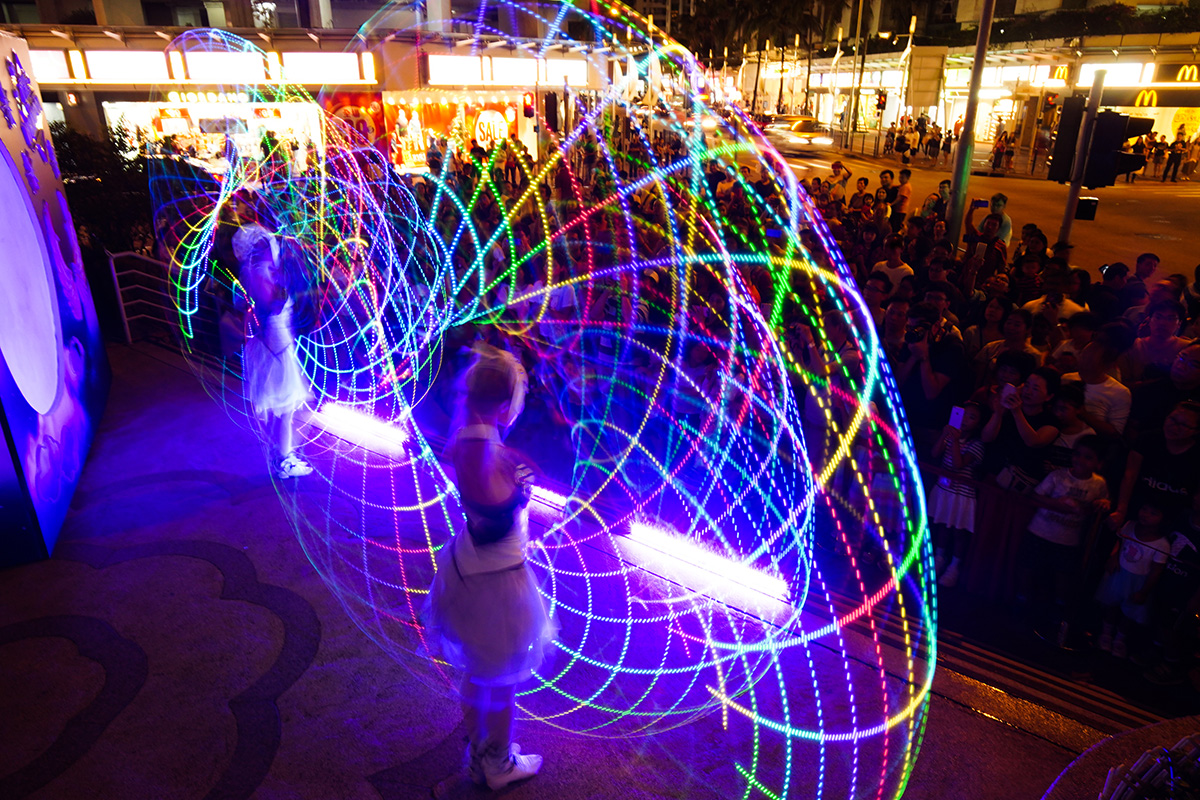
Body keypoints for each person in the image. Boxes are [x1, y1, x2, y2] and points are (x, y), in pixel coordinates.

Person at [427, 346, 554, 790]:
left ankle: (483, 746)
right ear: (504, 406)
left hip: (466, 571)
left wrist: (515, 469)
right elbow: (492, 520)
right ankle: (497, 764)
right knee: (500, 681)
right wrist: (521, 479)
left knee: (478, 670)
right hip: (497, 584)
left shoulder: (464, 434)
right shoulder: (492, 456)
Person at [234, 216, 314, 479]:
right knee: (286, 408)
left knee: (283, 409)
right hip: (276, 348)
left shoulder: (259, 270)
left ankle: (280, 455)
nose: (275, 246)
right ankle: (284, 461)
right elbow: (271, 305)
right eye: (269, 243)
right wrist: (290, 285)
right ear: (258, 248)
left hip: (276, 345)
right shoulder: (259, 274)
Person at [1023, 435, 1110, 642]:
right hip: (1040, 531)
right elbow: (1035, 497)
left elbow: (1100, 504)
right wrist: (1059, 505)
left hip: (1068, 540)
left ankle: (1058, 612)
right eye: (1077, 454)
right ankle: (1022, 603)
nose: (1080, 460)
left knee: (1062, 576)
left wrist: (1101, 505)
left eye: (1088, 457)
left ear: (1098, 463)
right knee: (1030, 568)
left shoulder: (1098, 484)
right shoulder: (1058, 476)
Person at [1095, 502, 1170, 658]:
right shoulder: (1129, 525)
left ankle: (1120, 639)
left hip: (1138, 582)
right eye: (1144, 509)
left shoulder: (1162, 544)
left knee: (1129, 612)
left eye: (1153, 513)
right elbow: (1120, 541)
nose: (1145, 514)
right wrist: (1114, 556)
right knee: (1111, 604)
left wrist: (1144, 591)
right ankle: (1106, 633)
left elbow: (1156, 570)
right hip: (1119, 573)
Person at [928, 403, 985, 588]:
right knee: (943, 525)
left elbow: (957, 465)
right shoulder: (951, 437)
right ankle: (939, 558)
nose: (966, 420)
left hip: (962, 494)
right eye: (964, 415)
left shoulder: (977, 445)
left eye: (972, 417)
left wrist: (954, 441)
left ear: (978, 424)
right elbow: (935, 453)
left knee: (959, 532)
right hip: (944, 490)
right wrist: (946, 435)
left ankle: (954, 567)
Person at [1061, 321, 1136, 439]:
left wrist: (1083, 413)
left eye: (1100, 342)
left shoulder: (1119, 392)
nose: (1091, 347)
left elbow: (1115, 434)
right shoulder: (1067, 379)